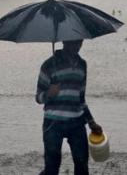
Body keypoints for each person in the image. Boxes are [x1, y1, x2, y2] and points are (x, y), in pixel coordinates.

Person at [36, 40, 103, 175]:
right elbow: (38, 98)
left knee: (82, 164)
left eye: (79, 42)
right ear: (65, 41)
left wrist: (91, 122)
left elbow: (81, 98)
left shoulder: (82, 65)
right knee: (52, 167)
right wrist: (49, 93)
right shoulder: (48, 65)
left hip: (77, 122)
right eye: (73, 42)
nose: (77, 45)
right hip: (53, 123)